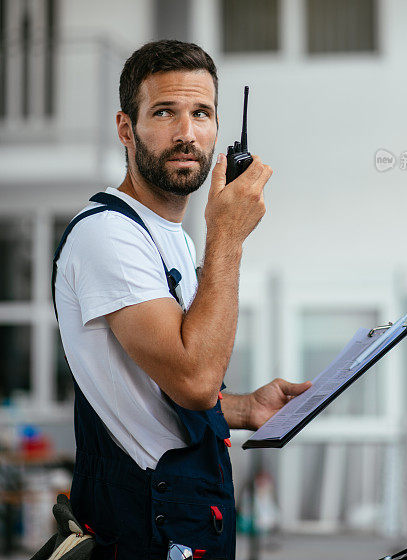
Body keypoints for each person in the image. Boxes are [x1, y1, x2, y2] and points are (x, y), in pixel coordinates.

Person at [53, 40, 311, 560]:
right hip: (144, 524)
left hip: (187, 513)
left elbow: (158, 387)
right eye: (165, 112)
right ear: (126, 128)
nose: (187, 133)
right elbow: (194, 381)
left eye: (202, 113)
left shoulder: (173, 236)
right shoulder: (107, 235)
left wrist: (240, 408)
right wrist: (229, 237)